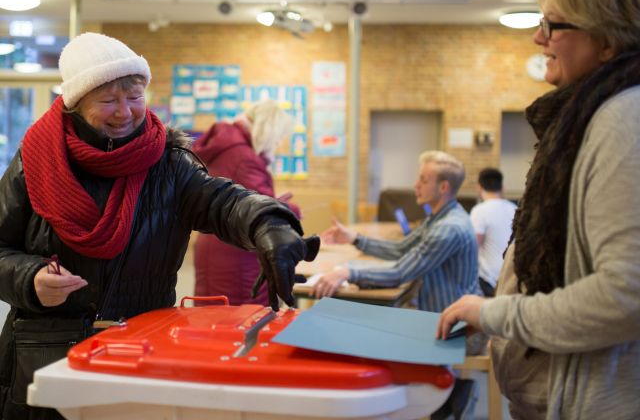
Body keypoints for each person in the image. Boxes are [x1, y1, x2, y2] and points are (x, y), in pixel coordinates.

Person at [0, 32, 319, 420]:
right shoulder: (36, 161)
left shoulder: (168, 163)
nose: (124, 112)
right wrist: (29, 278)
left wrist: (270, 224)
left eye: (134, 98)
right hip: (47, 357)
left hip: (140, 354)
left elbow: (223, 200)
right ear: (75, 105)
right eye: (107, 101)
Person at [437, 0, 640, 418]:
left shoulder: (621, 120)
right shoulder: (587, 116)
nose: (538, 38)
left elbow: (625, 295)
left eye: (552, 24)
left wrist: (494, 313)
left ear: (607, 39)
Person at [312, 150, 483, 420]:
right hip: (443, 317)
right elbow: (402, 249)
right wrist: (355, 238)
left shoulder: (447, 228)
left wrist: (348, 272)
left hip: (457, 328)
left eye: (423, 179)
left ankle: (447, 397)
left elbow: (401, 272)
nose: (416, 185)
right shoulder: (440, 217)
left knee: (372, 331)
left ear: (443, 187)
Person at [192, 99, 301, 306]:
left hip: (216, 245)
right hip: (237, 255)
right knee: (242, 323)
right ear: (269, 132)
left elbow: (244, 199)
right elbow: (260, 211)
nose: (276, 146)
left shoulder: (228, 147)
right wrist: (291, 210)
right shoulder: (245, 157)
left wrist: (275, 201)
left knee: (214, 319)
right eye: (277, 140)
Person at [469, 168, 516, 297]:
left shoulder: (479, 211)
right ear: (502, 187)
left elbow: (473, 247)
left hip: (488, 281)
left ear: (479, 187)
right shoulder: (514, 209)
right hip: (511, 278)